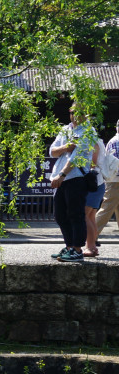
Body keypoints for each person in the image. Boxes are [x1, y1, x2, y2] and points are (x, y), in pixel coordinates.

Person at [48, 105, 100, 262]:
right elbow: (52, 151)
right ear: (69, 114)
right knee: (60, 215)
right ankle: (69, 246)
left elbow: (76, 157)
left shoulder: (88, 131)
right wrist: (65, 147)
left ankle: (77, 249)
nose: (76, 115)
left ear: (86, 114)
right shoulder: (65, 130)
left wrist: (62, 175)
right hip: (60, 177)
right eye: (73, 112)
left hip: (76, 177)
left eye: (80, 112)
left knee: (76, 214)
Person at [95, 118, 119, 242]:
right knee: (106, 210)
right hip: (115, 180)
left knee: (109, 208)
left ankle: (90, 235)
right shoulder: (117, 141)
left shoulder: (114, 140)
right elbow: (116, 163)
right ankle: (90, 235)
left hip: (114, 180)